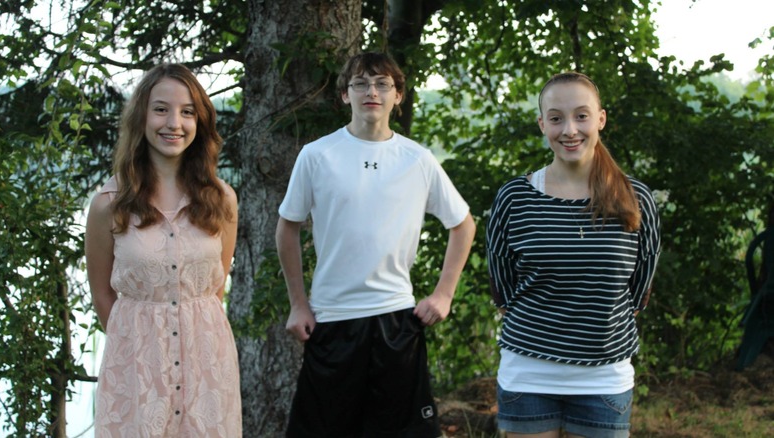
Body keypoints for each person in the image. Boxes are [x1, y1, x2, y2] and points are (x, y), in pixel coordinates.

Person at [276, 52, 476, 438]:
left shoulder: (417, 159)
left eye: (383, 83)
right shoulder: (317, 155)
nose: (372, 91)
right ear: (345, 95)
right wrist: (298, 303)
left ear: (398, 95)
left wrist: (444, 295)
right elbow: (288, 228)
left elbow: (463, 225)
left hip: (396, 321)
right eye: (361, 83)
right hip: (331, 320)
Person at [486, 72, 661, 438]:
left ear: (601, 118)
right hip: (528, 373)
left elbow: (639, 288)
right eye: (556, 118)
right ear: (541, 124)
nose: (569, 130)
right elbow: (501, 285)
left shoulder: (636, 199)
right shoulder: (514, 198)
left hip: (605, 377)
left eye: (581, 115)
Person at [85, 63, 241, 437]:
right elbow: (102, 293)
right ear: (141, 116)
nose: (174, 122)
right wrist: (137, 346)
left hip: (208, 369)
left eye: (187, 112)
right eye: (161, 109)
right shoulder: (109, 203)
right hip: (135, 370)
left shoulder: (221, 199)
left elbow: (215, 291)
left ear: (199, 122)